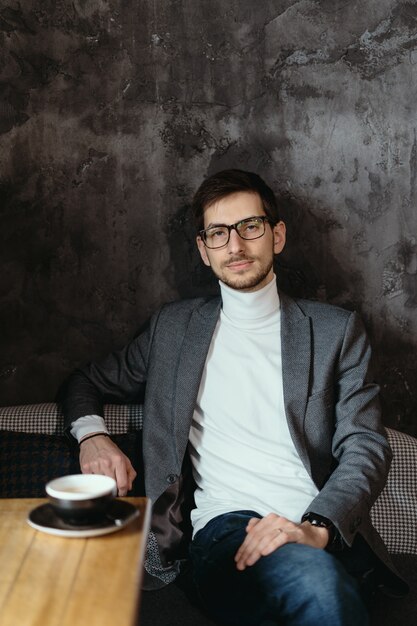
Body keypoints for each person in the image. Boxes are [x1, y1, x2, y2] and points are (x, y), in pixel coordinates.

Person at [63, 169, 406, 626]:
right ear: (204, 251)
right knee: (316, 588)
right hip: (226, 527)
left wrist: (317, 527)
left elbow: (365, 445)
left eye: (250, 226)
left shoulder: (335, 331)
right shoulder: (174, 329)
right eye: (218, 233)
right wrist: (93, 437)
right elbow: (86, 381)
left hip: (316, 524)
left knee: (319, 585)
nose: (236, 246)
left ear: (277, 235)